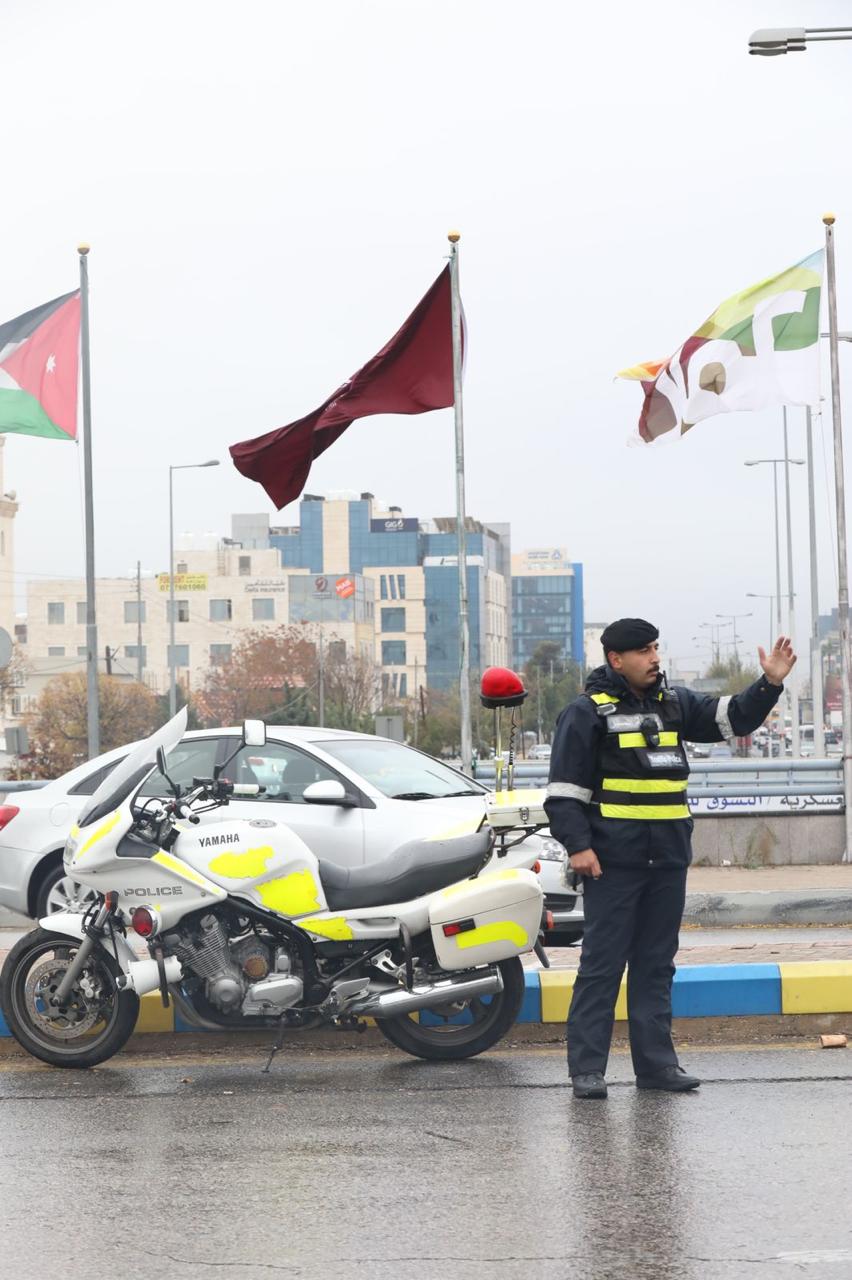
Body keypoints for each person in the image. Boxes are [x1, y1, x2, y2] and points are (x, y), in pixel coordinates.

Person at [544, 618, 795, 1100]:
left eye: (656, 647)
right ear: (616, 659)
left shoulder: (675, 703)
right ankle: (587, 1071)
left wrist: (770, 683)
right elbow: (564, 793)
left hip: (667, 859)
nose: (654, 658)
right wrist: (579, 847)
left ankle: (657, 1068)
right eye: (643, 651)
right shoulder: (586, 712)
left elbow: (734, 719)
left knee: (656, 965)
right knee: (602, 964)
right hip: (612, 862)